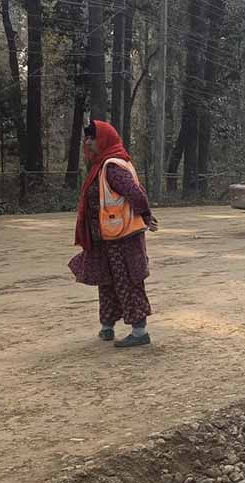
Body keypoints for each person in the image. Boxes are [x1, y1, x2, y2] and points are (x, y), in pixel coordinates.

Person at [69, 120, 159, 348]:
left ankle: (140, 332)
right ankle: (107, 326)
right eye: (87, 138)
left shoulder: (112, 167)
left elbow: (135, 193)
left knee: (127, 280)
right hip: (107, 237)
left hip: (122, 237)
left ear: (104, 140)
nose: (87, 142)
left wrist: (146, 215)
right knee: (106, 280)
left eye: (92, 138)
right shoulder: (103, 165)